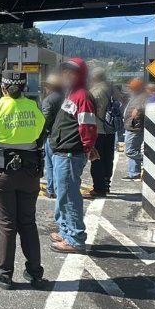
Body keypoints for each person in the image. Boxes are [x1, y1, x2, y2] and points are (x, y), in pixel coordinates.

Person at [0, 70, 47, 290]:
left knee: (6, 224)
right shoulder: (34, 109)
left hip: (2, 173)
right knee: (28, 222)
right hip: (30, 173)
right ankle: (35, 273)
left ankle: (4, 273)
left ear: (2, 88)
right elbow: (42, 138)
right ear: (24, 87)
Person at [47, 58, 98, 253]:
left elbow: (87, 126)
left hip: (70, 153)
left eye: (72, 71)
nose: (67, 74)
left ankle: (75, 238)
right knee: (62, 194)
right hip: (62, 152)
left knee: (69, 196)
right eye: (65, 71)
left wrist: (87, 148)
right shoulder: (72, 93)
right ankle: (66, 230)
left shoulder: (82, 96)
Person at [88, 67, 122, 197]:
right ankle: (107, 184)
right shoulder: (112, 88)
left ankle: (99, 188)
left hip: (98, 129)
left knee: (97, 158)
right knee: (108, 157)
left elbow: (90, 110)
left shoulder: (95, 91)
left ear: (94, 77)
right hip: (111, 128)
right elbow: (121, 102)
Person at [39, 74, 64, 199]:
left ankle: (51, 189)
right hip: (65, 136)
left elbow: (44, 121)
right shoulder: (66, 97)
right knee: (60, 164)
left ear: (49, 87)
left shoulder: (48, 100)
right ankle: (60, 188)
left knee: (50, 164)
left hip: (51, 136)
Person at [123, 77, 150, 180]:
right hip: (132, 126)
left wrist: (138, 109)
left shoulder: (143, 96)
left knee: (130, 151)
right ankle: (133, 173)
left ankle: (149, 162)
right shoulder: (137, 95)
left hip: (135, 127)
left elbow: (146, 105)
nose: (129, 89)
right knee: (133, 149)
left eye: (132, 87)